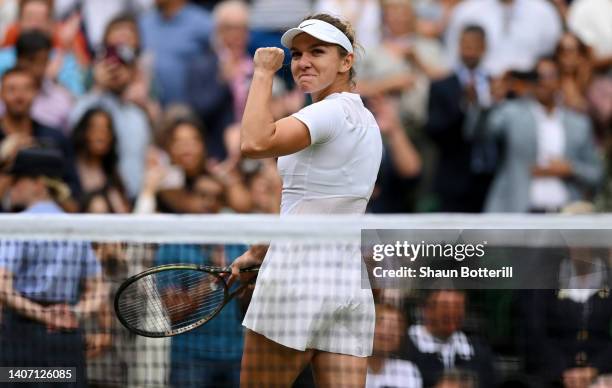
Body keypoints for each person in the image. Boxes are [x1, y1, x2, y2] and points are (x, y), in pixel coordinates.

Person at [229, 13, 383, 386]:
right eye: (297, 54)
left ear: (346, 61)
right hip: (347, 287)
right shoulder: (366, 120)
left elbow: (253, 143)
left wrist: (263, 72)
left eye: (318, 51)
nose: (303, 62)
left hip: (295, 284)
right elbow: (314, 204)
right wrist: (260, 251)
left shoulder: (327, 112)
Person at [0, 147, 106, 388]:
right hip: (65, 338)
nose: (11, 185)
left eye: (17, 179)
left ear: (38, 183)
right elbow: (99, 289)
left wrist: (43, 315)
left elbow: (2, 287)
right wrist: (73, 313)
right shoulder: (75, 227)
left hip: (23, 341)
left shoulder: (16, 226)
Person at [483, 57, 602, 213]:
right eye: (537, 76)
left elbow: (596, 174)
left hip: (565, 212)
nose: (542, 82)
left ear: (559, 80)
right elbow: (482, 132)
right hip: (519, 210)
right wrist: (491, 99)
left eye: (549, 76)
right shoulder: (512, 113)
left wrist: (570, 169)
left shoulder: (578, 123)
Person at [426, 25, 496, 212]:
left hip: (490, 177)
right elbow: (434, 130)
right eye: (466, 45)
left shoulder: (496, 84)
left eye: (475, 46)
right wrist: (464, 105)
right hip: (454, 177)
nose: (470, 51)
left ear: (484, 47)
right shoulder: (443, 86)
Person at [0, 66, 79, 209]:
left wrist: (51, 186)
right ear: (1, 94)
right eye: (11, 90)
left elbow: (75, 202)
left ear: (36, 93)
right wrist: (9, 163)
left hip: (48, 224)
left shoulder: (55, 137)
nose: (19, 96)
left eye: (26, 89)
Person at [404, 290, 496, 388]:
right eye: (445, 306)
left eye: (458, 306)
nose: (452, 312)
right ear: (426, 309)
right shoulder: (404, 347)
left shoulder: (479, 352)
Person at [70, 107, 130, 213]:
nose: (101, 135)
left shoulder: (112, 175)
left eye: (106, 129)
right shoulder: (70, 170)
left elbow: (124, 214)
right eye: (96, 128)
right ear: (84, 132)